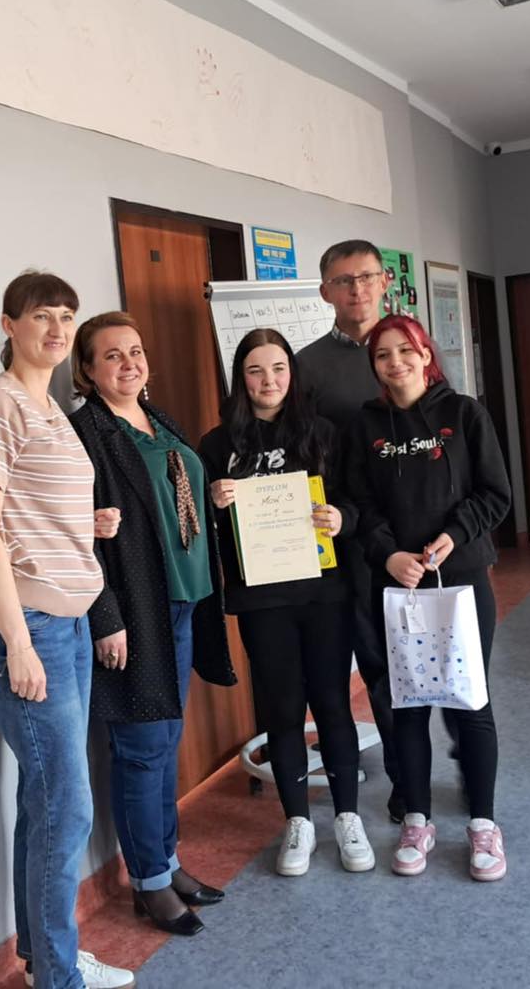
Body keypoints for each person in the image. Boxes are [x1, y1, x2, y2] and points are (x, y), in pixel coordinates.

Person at [0, 272, 134, 989]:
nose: (57, 330)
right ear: (9, 325)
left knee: (48, 798)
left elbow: (26, 511)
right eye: (41, 317)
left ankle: (44, 960)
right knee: (68, 805)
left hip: (67, 618)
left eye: (66, 316)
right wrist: (19, 643)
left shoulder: (50, 407)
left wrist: (86, 526)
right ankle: (59, 977)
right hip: (25, 624)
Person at [69, 312, 236, 936]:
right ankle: (149, 884)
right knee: (140, 751)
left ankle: (166, 863)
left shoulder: (158, 420)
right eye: (112, 355)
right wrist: (105, 618)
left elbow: (172, 497)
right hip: (135, 613)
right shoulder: (86, 433)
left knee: (166, 745)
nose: (128, 363)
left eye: (135, 351)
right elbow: (78, 537)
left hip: (184, 604)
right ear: (87, 370)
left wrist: (210, 497)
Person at [198, 328, 374, 877]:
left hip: (324, 592)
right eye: (255, 370)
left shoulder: (322, 433)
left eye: (277, 368)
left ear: (292, 374)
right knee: (281, 707)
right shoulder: (216, 445)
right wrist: (213, 501)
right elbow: (198, 527)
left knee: (332, 702)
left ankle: (346, 815)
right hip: (261, 599)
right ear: (240, 379)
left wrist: (341, 518)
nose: (268, 380)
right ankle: (297, 820)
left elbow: (357, 504)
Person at [344, 312, 512, 882]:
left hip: (462, 581)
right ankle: (417, 819)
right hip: (399, 587)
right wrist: (388, 554)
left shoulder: (464, 414)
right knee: (407, 705)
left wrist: (455, 535)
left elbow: (495, 493)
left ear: (425, 354)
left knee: (471, 703)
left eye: (405, 350)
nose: (395, 362)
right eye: (382, 355)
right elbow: (359, 504)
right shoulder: (366, 425)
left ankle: (483, 824)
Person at [296, 238, 410, 821]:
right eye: (343, 281)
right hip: (346, 539)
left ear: (384, 281)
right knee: (377, 666)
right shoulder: (307, 366)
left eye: (366, 277)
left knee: (432, 662)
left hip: (414, 537)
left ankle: (449, 766)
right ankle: (404, 783)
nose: (357, 289)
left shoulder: (410, 350)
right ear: (326, 292)